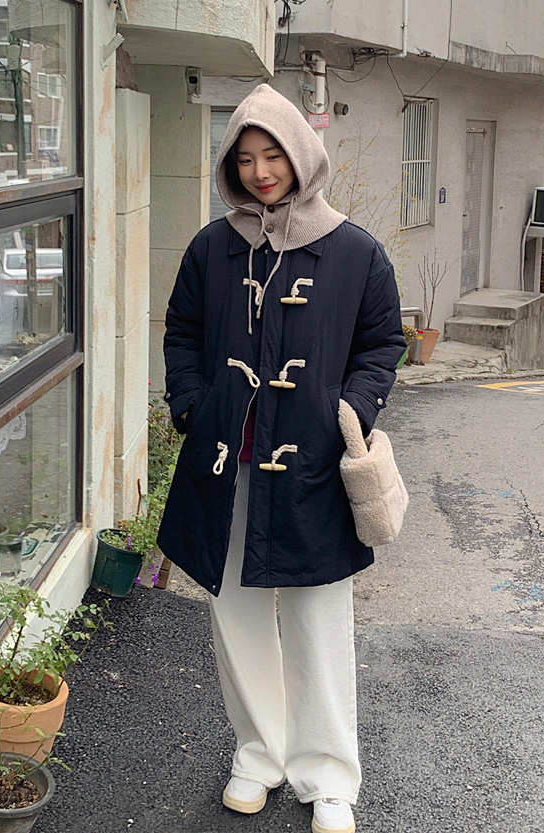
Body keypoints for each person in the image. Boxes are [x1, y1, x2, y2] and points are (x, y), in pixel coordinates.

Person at [157, 83, 406, 833]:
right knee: (235, 618)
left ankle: (328, 775)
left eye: (273, 155)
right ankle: (259, 754)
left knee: (316, 620)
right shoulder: (213, 248)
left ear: (300, 154)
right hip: (224, 462)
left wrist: (351, 411)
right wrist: (193, 403)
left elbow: (381, 344)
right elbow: (181, 333)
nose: (261, 171)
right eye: (245, 158)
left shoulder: (356, 251)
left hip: (312, 468)